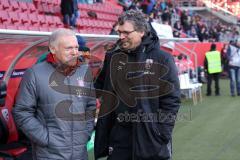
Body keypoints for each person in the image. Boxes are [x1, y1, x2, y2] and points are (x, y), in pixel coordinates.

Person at [94, 10, 180, 160]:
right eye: (119, 32)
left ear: (141, 31)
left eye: (126, 32)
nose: (121, 37)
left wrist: (161, 133)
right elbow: (99, 87)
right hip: (118, 137)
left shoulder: (162, 59)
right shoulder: (112, 56)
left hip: (150, 138)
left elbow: (171, 100)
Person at [13, 28, 96, 160]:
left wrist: (84, 134)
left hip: (80, 154)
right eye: (69, 48)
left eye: (76, 47)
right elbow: (22, 112)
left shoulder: (84, 71)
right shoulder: (34, 74)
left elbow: (90, 106)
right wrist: (46, 139)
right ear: (53, 49)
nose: (75, 52)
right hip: (49, 154)